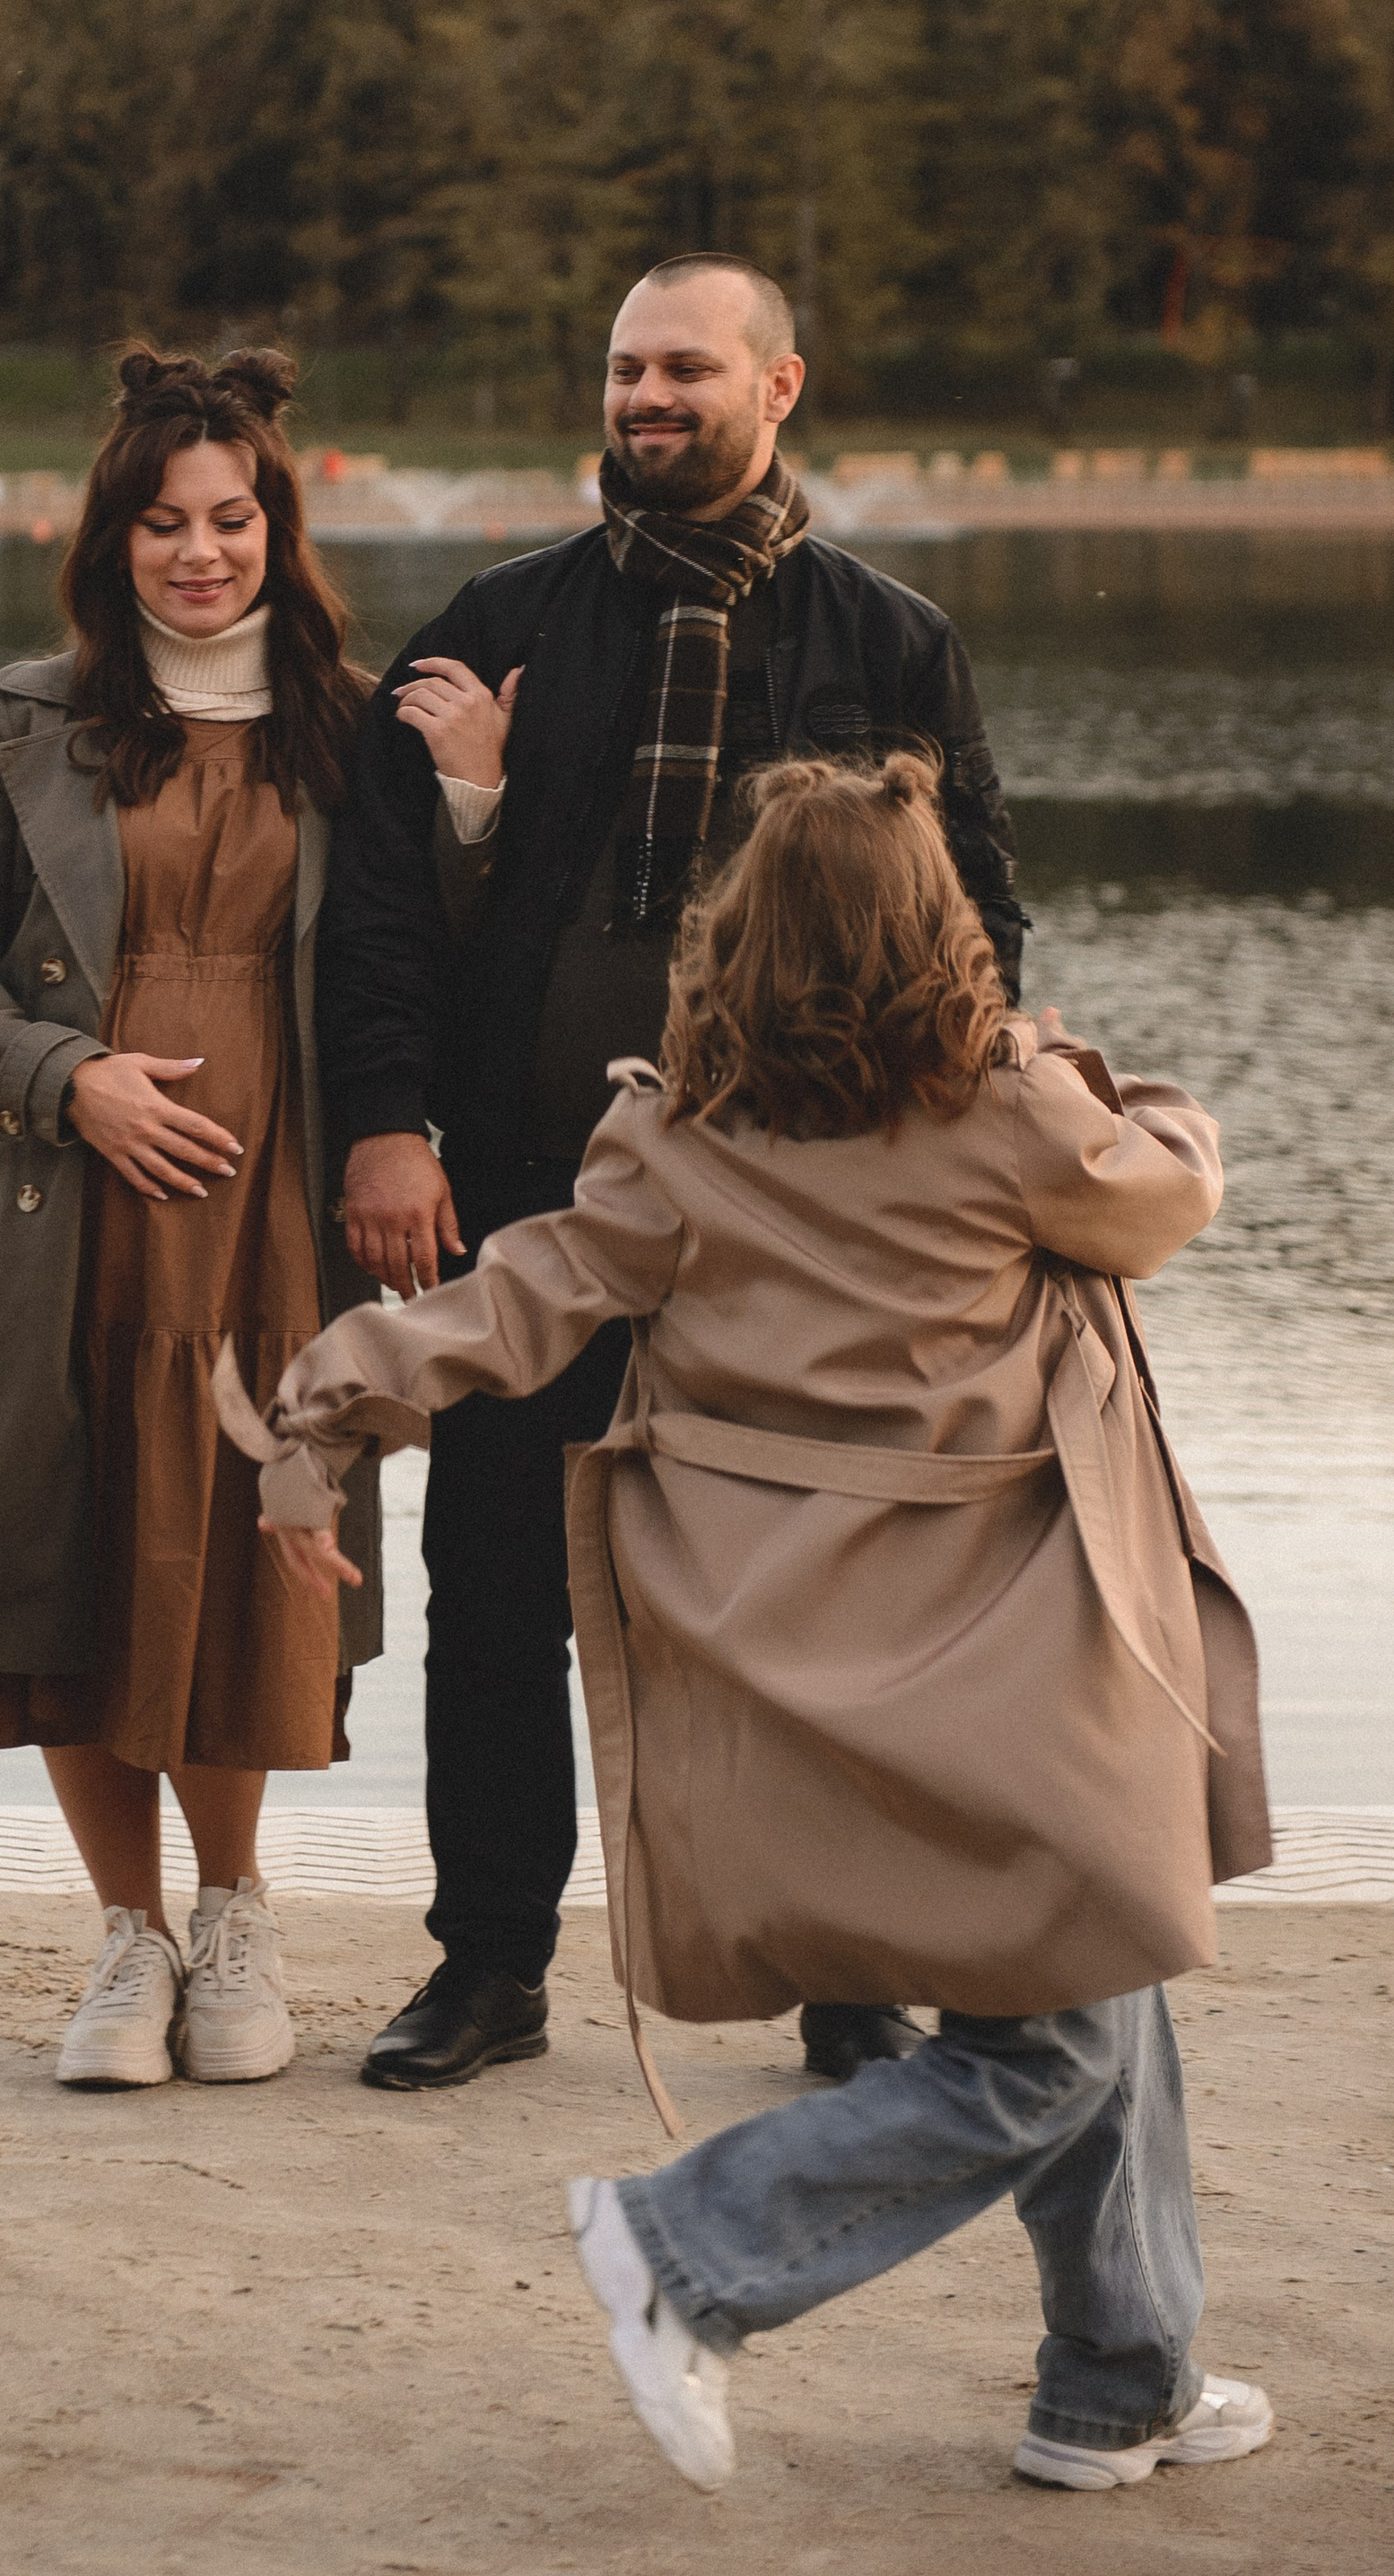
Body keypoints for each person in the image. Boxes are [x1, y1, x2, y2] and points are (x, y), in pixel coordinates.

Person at [227, 751, 1271, 2496]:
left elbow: (508, 1296)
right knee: (1052, 2038)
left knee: (1102, 1966)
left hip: (796, 1666)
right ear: (937, 937)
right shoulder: (1011, 1117)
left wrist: (317, 1413)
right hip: (1008, 1657)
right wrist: (1118, 1082)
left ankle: (1118, 2372)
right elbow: (1162, 1193)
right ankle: (684, 2250)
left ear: (731, 943)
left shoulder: (671, 1141)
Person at [319, 253, 1024, 2091]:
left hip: (790, 1223)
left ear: (777, 386)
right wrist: (384, 1124)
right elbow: (382, 914)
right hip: (529, 1191)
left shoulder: (887, 647)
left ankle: (848, 1973)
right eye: (626, 370)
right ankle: (486, 1966)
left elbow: (985, 937)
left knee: (807, 1606)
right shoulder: (491, 620)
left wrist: (918, 1184)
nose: (646, 401)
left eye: (684, 371)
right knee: (489, 1590)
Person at [0, 346, 380, 2093]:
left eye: (229, 517)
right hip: (59, 1211)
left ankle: (236, 1911)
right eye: (162, 521)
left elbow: (418, 961)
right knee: (74, 1557)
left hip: (269, 1215)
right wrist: (63, 1074)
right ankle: (128, 1936)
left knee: (235, 1541)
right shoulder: (27, 717)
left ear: (274, 527)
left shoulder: (350, 723)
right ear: (113, 538)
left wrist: (468, 801)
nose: (198, 551)